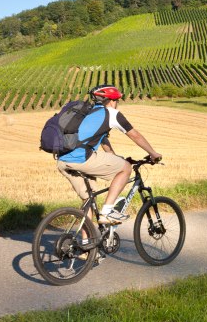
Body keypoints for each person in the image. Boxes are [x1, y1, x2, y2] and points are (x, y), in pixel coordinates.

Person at [57, 84, 162, 224]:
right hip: (81, 158)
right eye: (117, 101)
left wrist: (114, 156)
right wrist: (153, 153)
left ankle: (86, 242)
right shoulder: (112, 114)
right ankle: (107, 212)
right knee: (125, 168)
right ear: (112, 100)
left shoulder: (89, 112)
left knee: (88, 200)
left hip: (63, 160)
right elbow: (135, 135)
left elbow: (102, 139)